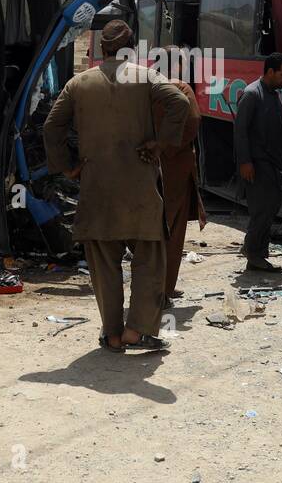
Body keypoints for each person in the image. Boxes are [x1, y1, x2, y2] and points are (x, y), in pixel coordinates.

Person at [42, 20, 192, 352]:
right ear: (131, 50)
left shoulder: (78, 83)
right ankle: (137, 331)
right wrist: (161, 143)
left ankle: (111, 333)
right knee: (150, 260)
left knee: (104, 264)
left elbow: (52, 127)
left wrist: (67, 167)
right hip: (139, 186)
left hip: (97, 188)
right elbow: (179, 104)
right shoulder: (147, 77)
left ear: (101, 49)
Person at [234, 52, 282, 273]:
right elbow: (240, 132)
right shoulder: (252, 94)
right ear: (270, 71)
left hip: (274, 163)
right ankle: (253, 253)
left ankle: (257, 253)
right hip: (257, 164)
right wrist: (245, 162)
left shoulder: (277, 94)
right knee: (261, 210)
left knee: (270, 208)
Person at [155, 78, 206, 305]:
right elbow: (193, 120)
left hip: (149, 165)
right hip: (175, 167)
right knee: (173, 231)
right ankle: (164, 291)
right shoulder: (181, 88)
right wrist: (169, 147)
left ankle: (155, 289)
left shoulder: (146, 86)